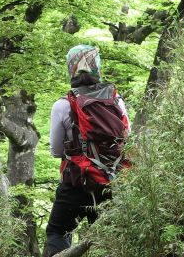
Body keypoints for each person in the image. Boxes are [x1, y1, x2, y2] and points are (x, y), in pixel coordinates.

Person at [44, 44, 129, 257]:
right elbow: (127, 138)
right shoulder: (117, 101)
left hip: (76, 183)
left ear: (70, 69)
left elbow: (55, 151)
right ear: (97, 68)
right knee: (108, 240)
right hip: (110, 184)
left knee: (57, 231)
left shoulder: (63, 105)